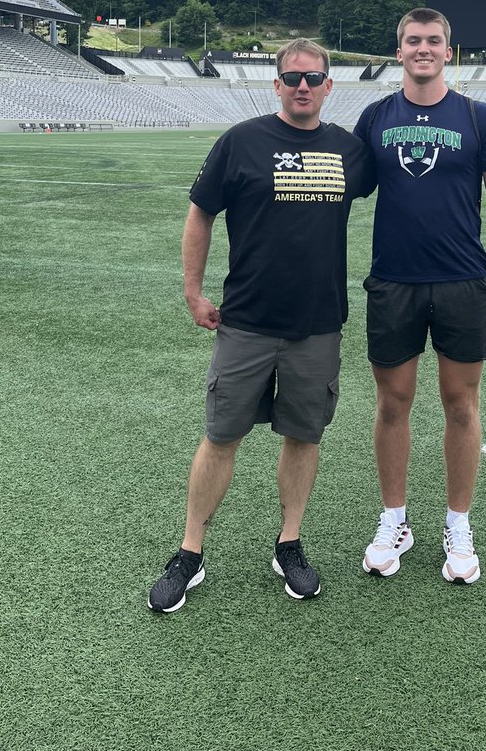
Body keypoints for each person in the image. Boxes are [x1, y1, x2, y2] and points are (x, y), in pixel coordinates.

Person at [148, 38, 373, 611]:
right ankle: (190, 552)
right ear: (276, 84)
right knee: (222, 436)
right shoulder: (241, 142)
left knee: (303, 436)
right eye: (292, 77)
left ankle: (289, 544)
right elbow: (200, 213)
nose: (303, 86)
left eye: (314, 78)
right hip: (246, 321)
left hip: (318, 324)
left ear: (329, 86)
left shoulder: (350, 150)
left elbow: (401, 185)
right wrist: (193, 291)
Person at [353, 7, 486, 585]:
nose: (422, 49)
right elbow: (343, 189)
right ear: (398, 51)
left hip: (460, 282)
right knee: (392, 402)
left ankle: (458, 522)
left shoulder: (478, 119)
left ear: (448, 51)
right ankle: (395, 519)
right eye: (412, 41)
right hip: (394, 281)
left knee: (461, 403)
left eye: (433, 41)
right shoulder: (376, 116)